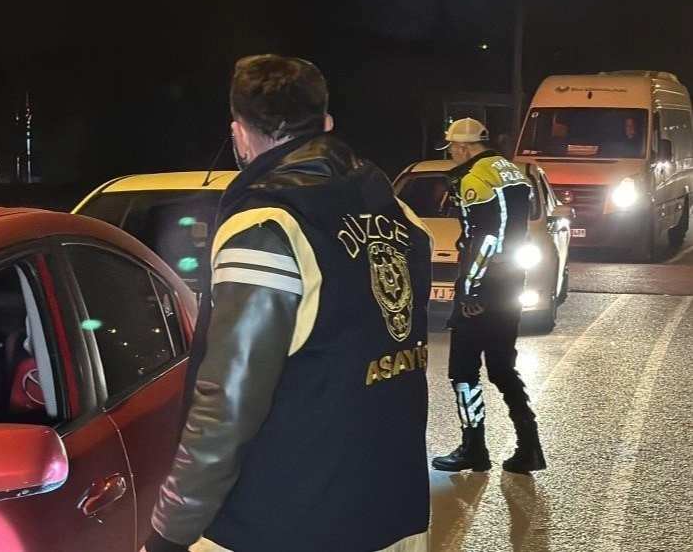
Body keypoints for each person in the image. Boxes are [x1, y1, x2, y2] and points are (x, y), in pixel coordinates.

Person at [142, 54, 433, 552]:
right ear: (326, 124)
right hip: (393, 508)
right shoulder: (399, 213)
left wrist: (171, 530)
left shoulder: (266, 227)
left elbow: (228, 399)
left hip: (288, 521)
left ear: (239, 133)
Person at [430, 118, 546, 475]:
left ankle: (473, 448)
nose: (452, 154)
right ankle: (529, 446)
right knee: (502, 367)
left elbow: (485, 239)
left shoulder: (474, 179)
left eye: (453, 148)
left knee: (463, 371)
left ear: (463, 147)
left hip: (485, 284)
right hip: (511, 282)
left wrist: (470, 289)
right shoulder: (511, 171)